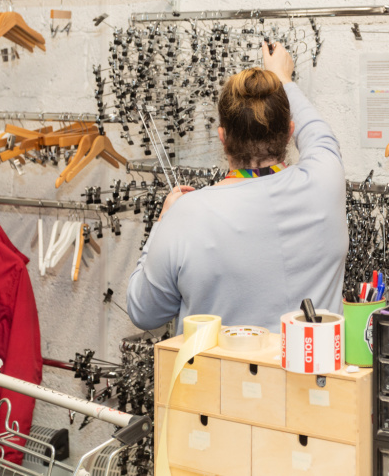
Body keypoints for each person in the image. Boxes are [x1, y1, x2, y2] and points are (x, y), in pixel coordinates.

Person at [127, 42, 348, 332]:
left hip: (216, 378)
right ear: (289, 133)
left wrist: (163, 222)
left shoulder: (187, 213)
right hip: (308, 373)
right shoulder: (325, 182)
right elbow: (319, 133)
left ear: (222, 137)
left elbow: (144, 312)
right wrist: (282, 78)